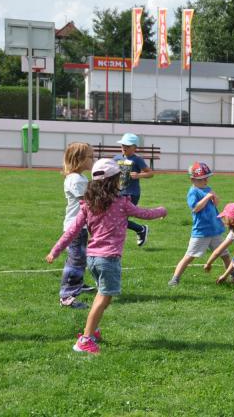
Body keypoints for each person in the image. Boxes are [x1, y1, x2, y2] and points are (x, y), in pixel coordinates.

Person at [46, 158, 167, 355]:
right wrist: (162, 210)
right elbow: (144, 214)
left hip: (92, 258)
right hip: (108, 259)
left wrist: (55, 251)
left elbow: (71, 231)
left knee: (104, 296)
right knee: (104, 296)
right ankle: (85, 340)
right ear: (114, 181)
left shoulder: (88, 205)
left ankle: (92, 331)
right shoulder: (121, 203)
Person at [168, 162, 232, 286]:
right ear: (193, 179)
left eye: (207, 178)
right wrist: (207, 197)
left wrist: (214, 197)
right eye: (202, 179)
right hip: (201, 231)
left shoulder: (208, 189)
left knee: (225, 254)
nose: (206, 180)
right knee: (190, 255)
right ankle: (175, 278)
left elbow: (216, 204)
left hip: (215, 229)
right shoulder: (193, 191)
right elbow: (195, 208)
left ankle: (233, 275)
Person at [58, 142, 96, 309]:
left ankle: (78, 284)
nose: (93, 160)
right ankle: (67, 295)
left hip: (80, 227)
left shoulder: (80, 178)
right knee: (76, 261)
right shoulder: (76, 179)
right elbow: (87, 202)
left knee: (79, 258)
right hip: (76, 228)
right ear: (79, 159)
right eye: (90, 157)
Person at [113, 132, 154, 247]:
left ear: (135, 147)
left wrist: (139, 175)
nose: (124, 148)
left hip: (132, 193)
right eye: (122, 146)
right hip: (118, 193)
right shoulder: (116, 158)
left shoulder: (137, 160)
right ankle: (140, 229)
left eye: (127, 146)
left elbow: (150, 173)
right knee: (117, 218)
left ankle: (140, 229)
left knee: (118, 219)